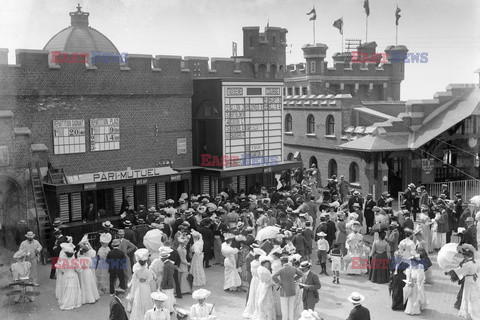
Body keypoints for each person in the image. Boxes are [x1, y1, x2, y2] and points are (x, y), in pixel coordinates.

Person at [272, 255, 303, 320]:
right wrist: (294, 279)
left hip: (284, 290)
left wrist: (279, 282)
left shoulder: (281, 270)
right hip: (292, 290)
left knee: (284, 307)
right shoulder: (293, 268)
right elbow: (301, 274)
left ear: (282, 262)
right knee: (291, 306)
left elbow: (273, 277)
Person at [454, 244, 480, 319]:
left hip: (468, 280)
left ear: (466, 256)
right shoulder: (476, 262)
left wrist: (459, 269)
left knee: (466, 295)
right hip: (474, 279)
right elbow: (478, 270)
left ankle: (467, 312)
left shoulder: (467, 264)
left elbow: (461, 273)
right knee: (474, 295)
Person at [128, 248, 154, 320]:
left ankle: (139, 315)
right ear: (146, 262)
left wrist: (139, 280)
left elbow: (134, 278)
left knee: (138, 300)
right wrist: (145, 280)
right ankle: (146, 314)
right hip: (145, 286)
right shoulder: (148, 271)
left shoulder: (136, 270)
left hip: (139, 287)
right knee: (146, 299)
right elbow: (150, 280)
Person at [56, 242, 82, 310]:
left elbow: (59, 268)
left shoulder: (63, 260)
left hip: (66, 275)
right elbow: (79, 269)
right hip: (73, 275)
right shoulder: (75, 261)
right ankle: (74, 302)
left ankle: (66, 302)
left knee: (66, 289)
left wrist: (63, 271)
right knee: (73, 289)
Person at [243, 248, 266, 319]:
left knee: (253, 294)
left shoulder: (252, 262)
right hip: (258, 280)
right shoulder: (259, 264)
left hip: (254, 279)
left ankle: (251, 309)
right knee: (257, 293)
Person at [252, 256, 276, 320]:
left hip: (264, 286)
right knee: (264, 300)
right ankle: (265, 316)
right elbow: (268, 281)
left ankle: (266, 315)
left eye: (268, 264)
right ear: (263, 264)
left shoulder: (263, 270)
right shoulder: (264, 271)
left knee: (266, 300)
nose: (267, 265)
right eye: (266, 264)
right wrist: (273, 283)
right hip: (265, 287)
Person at [77, 238, 100, 304]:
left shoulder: (78, 259)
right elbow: (91, 265)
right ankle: (91, 297)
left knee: (83, 284)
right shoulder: (89, 259)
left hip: (82, 272)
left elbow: (78, 266)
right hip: (88, 271)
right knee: (89, 284)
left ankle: (84, 298)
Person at [159, 246, 176, 313]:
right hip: (171, 282)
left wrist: (161, 286)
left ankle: (167, 310)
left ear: (163, 258)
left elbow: (164, 277)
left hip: (167, 284)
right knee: (170, 296)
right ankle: (170, 309)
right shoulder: (171, 263)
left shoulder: (165, 266)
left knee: (166, 298)